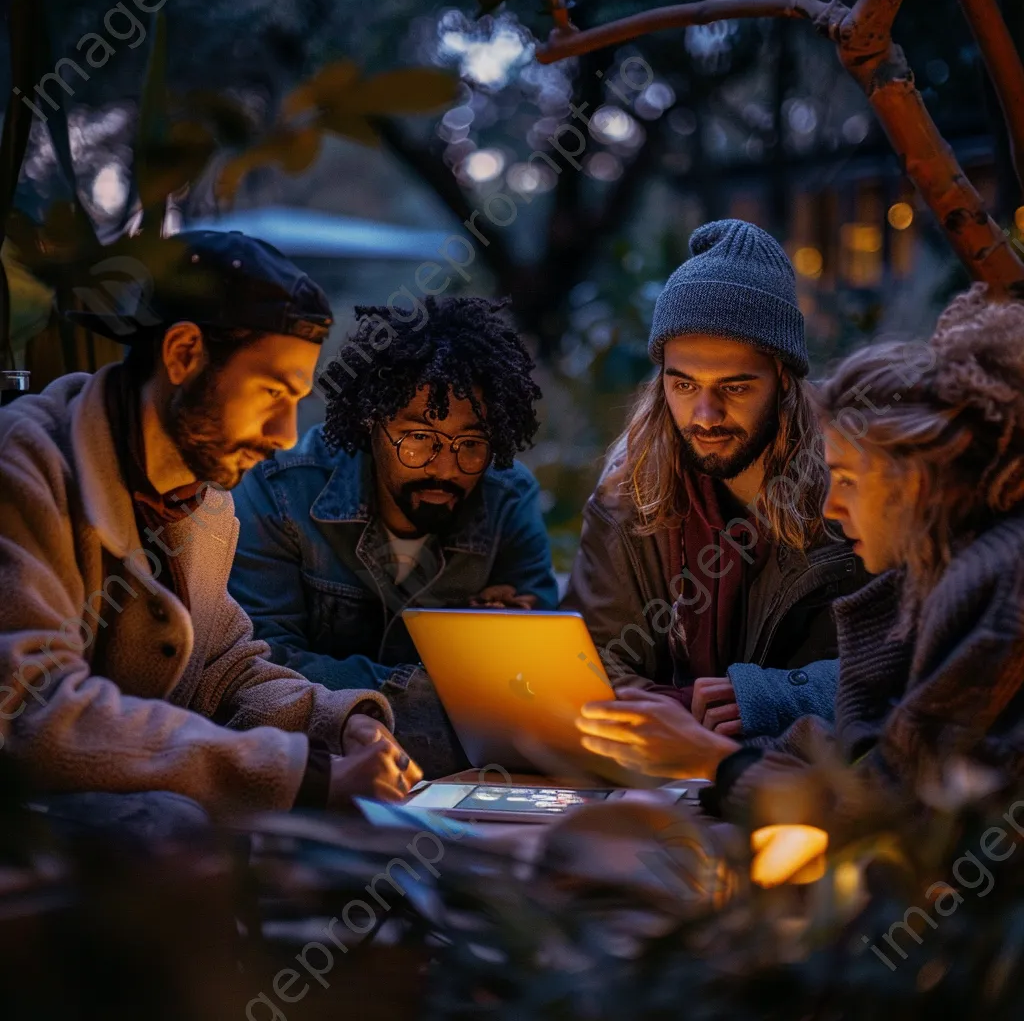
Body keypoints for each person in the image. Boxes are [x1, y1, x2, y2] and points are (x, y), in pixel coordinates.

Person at [0, 230, 420, 841]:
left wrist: (337, 723)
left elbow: (218, 669)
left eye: (296, 399)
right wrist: (301, 778)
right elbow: (32, 707)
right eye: (273, 392)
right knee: (169, 830)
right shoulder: (25, 466)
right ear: (183, 354)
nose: (284, 432)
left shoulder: (200, 498)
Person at [577, 286, 1024, 836]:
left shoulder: (995, 589)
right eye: (683, 383)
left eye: (850, 481)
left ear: (920, 481)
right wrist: (709, 753)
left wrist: (713, 760)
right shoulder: (940, 574)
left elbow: (892, 810)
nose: (834, 506)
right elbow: (859, 740)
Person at [229, 295, 558, 775]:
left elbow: (541, 689)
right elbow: (261, 672)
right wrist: (454, 681)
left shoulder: (508, 499)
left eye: (470, 444)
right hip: (322, 776)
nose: (445, 468)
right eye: (419, 438)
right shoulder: (280, 492)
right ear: (372, 422)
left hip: (459, 789)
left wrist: (512, 641)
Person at [563, 219, 863, 742]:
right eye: (683, 384)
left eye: (736, 386)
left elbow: (898, 662)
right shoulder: (626, 495)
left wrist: (769, 696)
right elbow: (587, 659)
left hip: (805, 784)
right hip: (654, 776)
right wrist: (672, 717)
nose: (705, 414)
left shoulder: (850, 494)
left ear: (784, 381)